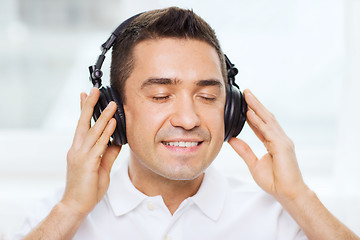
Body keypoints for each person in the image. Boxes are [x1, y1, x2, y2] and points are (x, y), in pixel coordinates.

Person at [15, 7, 359, 240]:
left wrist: (297, 196)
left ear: (232, 110)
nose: (189, 119)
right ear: (114, 110)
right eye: (161, 95)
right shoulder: (60, 215)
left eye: (208, 98)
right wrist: (72, 209)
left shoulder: (282, 219)